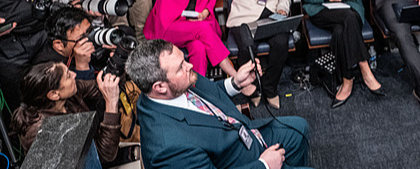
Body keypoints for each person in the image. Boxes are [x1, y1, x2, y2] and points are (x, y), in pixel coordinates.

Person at [125, 40, 311, 169]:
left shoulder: (167, 89)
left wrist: (235, 83)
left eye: (184, 60)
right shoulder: (169, 149)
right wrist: (264, 165)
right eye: (181, 67)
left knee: (300, 129)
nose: (189, 66)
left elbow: (207, 93)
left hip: (241, 133)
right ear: (159, 87)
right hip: (242, 160)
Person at [10, 63, 122, 164]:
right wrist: (111, 103)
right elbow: (105, 154)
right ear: (54, 94)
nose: (74, 74)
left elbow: (100, 87)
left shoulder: (67, 95)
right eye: (68, 75)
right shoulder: (46, 131)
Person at [35, 7, 98, 80]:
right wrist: (82, 66)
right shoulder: (48, 71)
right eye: (81, 38)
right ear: (59, 44)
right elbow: (81, 91)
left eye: (89, 31)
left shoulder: (72, 46)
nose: (88, 40)